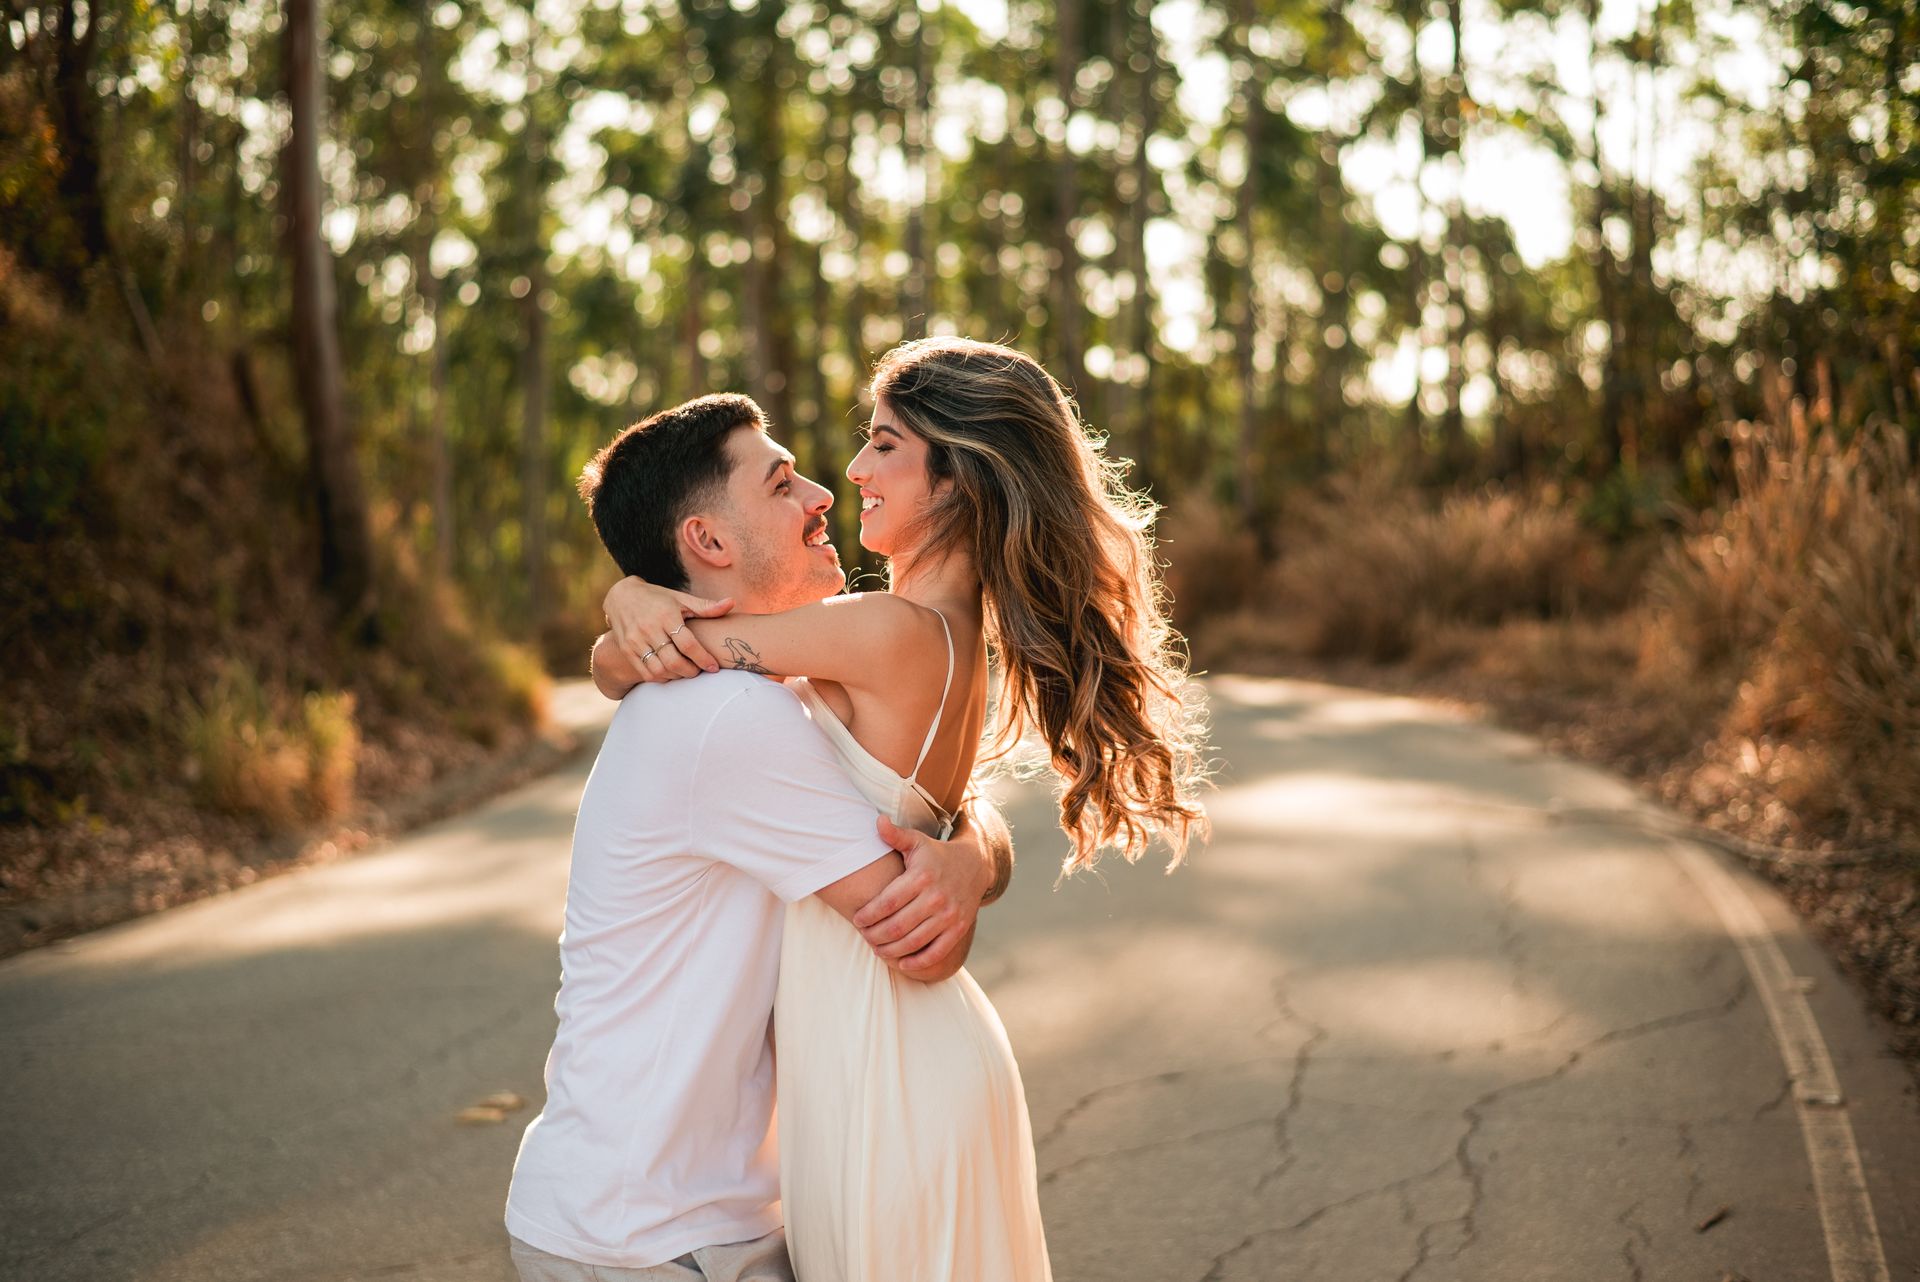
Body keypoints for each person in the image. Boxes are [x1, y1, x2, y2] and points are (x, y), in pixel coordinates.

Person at [593, 336, 1209, 1282]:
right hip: (902, 1045)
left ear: (957, 478)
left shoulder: (880, 629)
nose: (852, 471)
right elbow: (945, 810)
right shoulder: (938, 634)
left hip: (884, 1057)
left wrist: (630, 598)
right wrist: (976, 852)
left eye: (885, 444)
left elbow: (664, 655)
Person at [504, 393, 1016, 1282]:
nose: (824, 491)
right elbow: (903, 909)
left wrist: (975, 851)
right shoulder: (727, 715)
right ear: (708, 542)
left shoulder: (759, 698)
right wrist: (969, 863)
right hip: (651, 1237)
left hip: (692, 1218)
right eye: (783, 484)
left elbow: (912, 801)